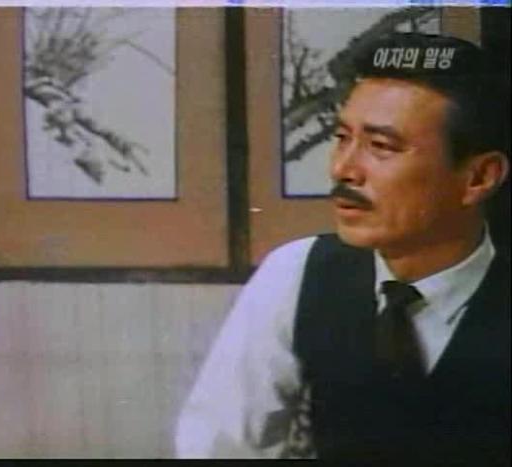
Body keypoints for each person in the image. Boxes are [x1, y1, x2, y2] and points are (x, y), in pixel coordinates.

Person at [175, 32, 510, 462]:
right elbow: (220, 445)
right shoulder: (297, 272)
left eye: (381, 146)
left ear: (479, 177)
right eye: (341, 137)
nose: (342, 169)